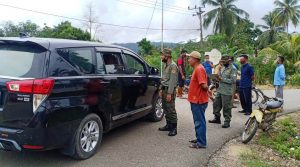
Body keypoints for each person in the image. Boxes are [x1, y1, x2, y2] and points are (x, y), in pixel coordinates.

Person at [186, 51, 209, 149]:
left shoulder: (199, 69)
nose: (188, 60)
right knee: (198, 121)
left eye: (190, 58)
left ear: (195, 59)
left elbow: (204, 85)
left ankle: (201, 142)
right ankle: (199, 138)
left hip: (198, 100)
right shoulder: (197, 68)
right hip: (196, 100)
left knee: (199, 121)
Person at [209, 55, 237, 128]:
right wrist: (215, 78)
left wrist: (221, 79)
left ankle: (227, 121)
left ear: (229, 61)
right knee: (216, 104)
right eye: (222, 61)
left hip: (227, 91)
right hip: (220, 89)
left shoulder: (233, 69)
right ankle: (217, 118)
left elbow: (233, 80)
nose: (223, 63)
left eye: (224, 61)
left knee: (226, 107)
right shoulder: (223, 67)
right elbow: (220, 76)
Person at [158, 48, 179, 136]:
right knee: (165, 107)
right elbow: (164, 79)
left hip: (169, 90)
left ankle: (174, 128)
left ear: (167, 56)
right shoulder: (166, 65)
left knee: (171, 109)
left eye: (162, 55)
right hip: (164, 89)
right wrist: (160, 89)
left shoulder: (173, 66)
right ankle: (168, 125)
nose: (161, 57)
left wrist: (170, 93)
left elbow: (172, 81)